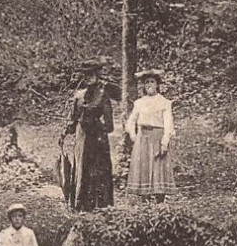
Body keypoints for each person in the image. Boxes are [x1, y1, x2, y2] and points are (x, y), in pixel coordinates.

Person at [59, 60, 117, 211]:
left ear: (97, 75)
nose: (88, 78)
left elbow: (110, 125)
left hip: (98, 139)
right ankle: (81, 203)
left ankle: (100, 205)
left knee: (97, 170)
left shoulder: (103, 95)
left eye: (91, 74)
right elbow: (72, 119)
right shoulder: (78, 96)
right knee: (82, 167)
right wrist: (65, 132)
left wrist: (98, 129)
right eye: (85, 75)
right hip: (82, 137)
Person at [126, 70, 176, 202]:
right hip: (143, 138)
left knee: (158, 167)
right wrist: (133, 135)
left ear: (157, 84)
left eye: (152, 82)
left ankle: (159, 201)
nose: (149, 85)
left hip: (158, 137)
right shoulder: (139, 103)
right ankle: (145, 201)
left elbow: (168, 124)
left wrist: (165, 142)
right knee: (144, 167)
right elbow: (131, 121)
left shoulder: (164, 102)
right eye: (147, 82)